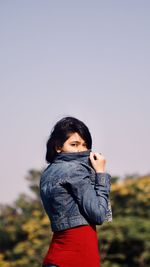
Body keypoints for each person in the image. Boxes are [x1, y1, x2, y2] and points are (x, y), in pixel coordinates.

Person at [40, 116, 112, 267]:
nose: (81, 150)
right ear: (58, 147)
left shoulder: (48, 172)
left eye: (85, 145)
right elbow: (99, 215)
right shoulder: (75, 170)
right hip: (76, 258)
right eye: (74, 144)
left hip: (56, 257)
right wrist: (101, 174)